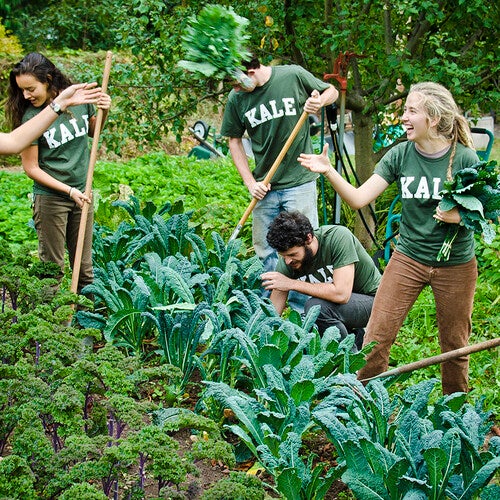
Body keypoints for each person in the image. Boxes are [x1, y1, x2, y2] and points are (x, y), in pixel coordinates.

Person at [298, 81, 479, 394]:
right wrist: (328, 170)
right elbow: (358, 198)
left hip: (456, 265)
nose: (404, 117)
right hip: (408, 258)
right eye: (405, 109)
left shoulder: (463, 159)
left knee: (454, 344)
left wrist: (460, 216)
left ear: (433, 119)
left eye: (411, 111)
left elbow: (488, 210)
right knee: (376, 336)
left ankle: (457, 413)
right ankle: (362, 404)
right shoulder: (401, 155)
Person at [220, 56, 339, 276]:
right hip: (265, 187)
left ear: (251, 72)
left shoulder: (292, 75)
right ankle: (269, 307)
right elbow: (234, 140)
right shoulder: (237, 99)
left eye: (237, 83)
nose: (235, 89)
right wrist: (250, 183)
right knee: (265, 252)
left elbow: (332, 90)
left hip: (299, 182)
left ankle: (304, 307)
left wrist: (319, 102)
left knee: (303, 248)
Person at [6, 52, 112, 293]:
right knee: (52, 270)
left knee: (84, 270)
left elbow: (94, 133)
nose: (26, 95)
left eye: (31, 88)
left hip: (82, 194)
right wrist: (69, 190)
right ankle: (53, 328)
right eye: (22, 90)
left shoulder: (79, 100)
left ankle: (86, 325)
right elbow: (31, 168)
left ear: (49, 79)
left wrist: (105, 111)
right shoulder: (32, 118)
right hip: (52, 198)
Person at [262, 211, 381, 350]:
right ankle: (357, 338)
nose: (287, 261)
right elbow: (273, 313)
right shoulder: (289, 261)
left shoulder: (337, 238)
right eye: (283, 256)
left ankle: (348, 361)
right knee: (307, 321)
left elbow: (341, 294)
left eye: (292, 254)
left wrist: (291, 283)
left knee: (316, 308)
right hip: (346, 308)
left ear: (309, 238)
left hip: (377, 303)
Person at [0, 83, 102, 155]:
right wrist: (59, 104)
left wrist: (60, 103)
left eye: (31, 89)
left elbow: (13, 142)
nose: (25, 96)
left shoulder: (81, 107)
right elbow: (14, 143)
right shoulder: (30, 115)